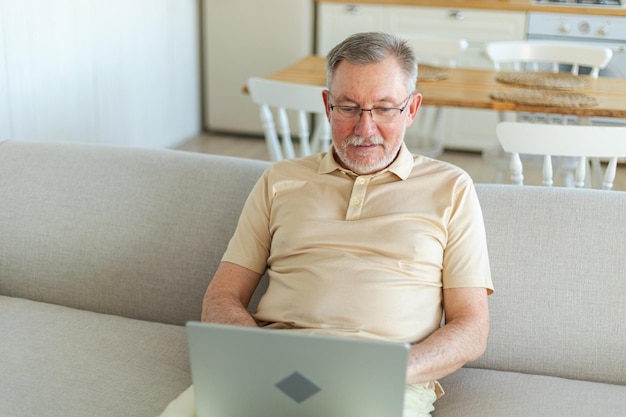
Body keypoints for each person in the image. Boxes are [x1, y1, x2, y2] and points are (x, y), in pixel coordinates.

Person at [161, 31, 493, 417]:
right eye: (348, 107)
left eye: (384, 108)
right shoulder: (279, 180)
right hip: (272, 365)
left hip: (382, 377)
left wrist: (397, 369)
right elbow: (220, 297)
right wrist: (256, 358)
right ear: (327, 105)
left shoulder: (451, 188)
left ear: (412, 108)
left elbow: (471, 327)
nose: (365, 129)